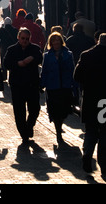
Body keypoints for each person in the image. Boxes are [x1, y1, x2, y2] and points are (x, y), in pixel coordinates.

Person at [74, 33, 106, 178]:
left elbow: (77, 76)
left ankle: (87, 154)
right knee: (104, 132)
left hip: (90, 99)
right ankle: (104, 166)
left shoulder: (86, 55)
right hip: (104, 100)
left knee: (91, 130)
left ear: (97, 40)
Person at [3, 28, 43, 143]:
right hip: (17, 85)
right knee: (19, 112)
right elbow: (6, 64)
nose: (25, 41)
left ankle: (29, 126)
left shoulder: (35, 49)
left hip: (32, 84)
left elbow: (40, 58)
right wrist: (17, 64)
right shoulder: (11, 50)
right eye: (23, 38)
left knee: (35, 109)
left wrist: (33, 58)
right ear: (18, 38)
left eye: (27, 39)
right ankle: (24, 134)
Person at [41, 32, 75, 145]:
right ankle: (58, 132)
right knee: (55, 110)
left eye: (57, 40)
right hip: (52, 86)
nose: (56, 42)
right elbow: (44, 71)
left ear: (61, 41)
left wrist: (74, 85)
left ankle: (60, 124)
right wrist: (42, 84)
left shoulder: (68, 54)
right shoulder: (47, 55)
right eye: (53, 40)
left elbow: (72, 70)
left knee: (64, 110)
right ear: (51, 43)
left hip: (65, 86)